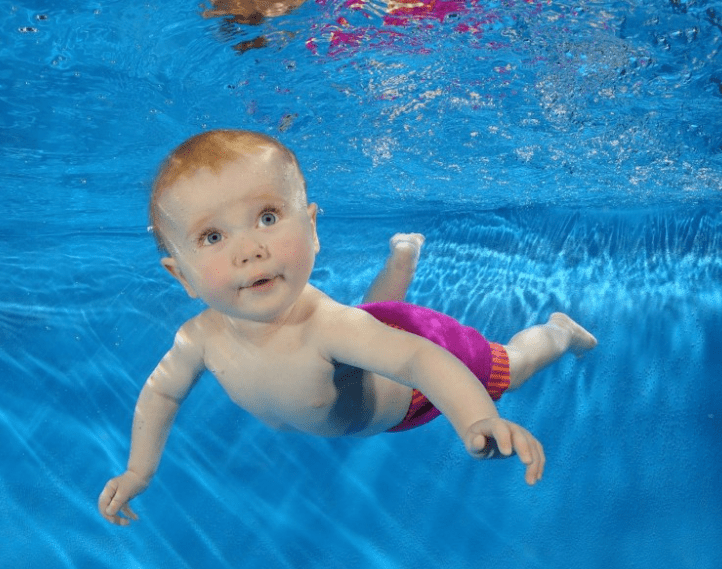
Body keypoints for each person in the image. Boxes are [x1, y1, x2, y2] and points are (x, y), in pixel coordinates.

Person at [98, 129, 597, 526]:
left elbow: (418, 359)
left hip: (420, 375)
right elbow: (161, 395)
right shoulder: (197, 339)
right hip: (372, 340)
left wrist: (474, 418)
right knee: (372, 317)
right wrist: (140, 469)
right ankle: (404, 254)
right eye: (212, 236)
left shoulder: (324, 326)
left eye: (268, 217)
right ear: (181, 274)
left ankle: (558, 332)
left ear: (313, 229)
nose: (249, 249)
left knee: (511, 364)